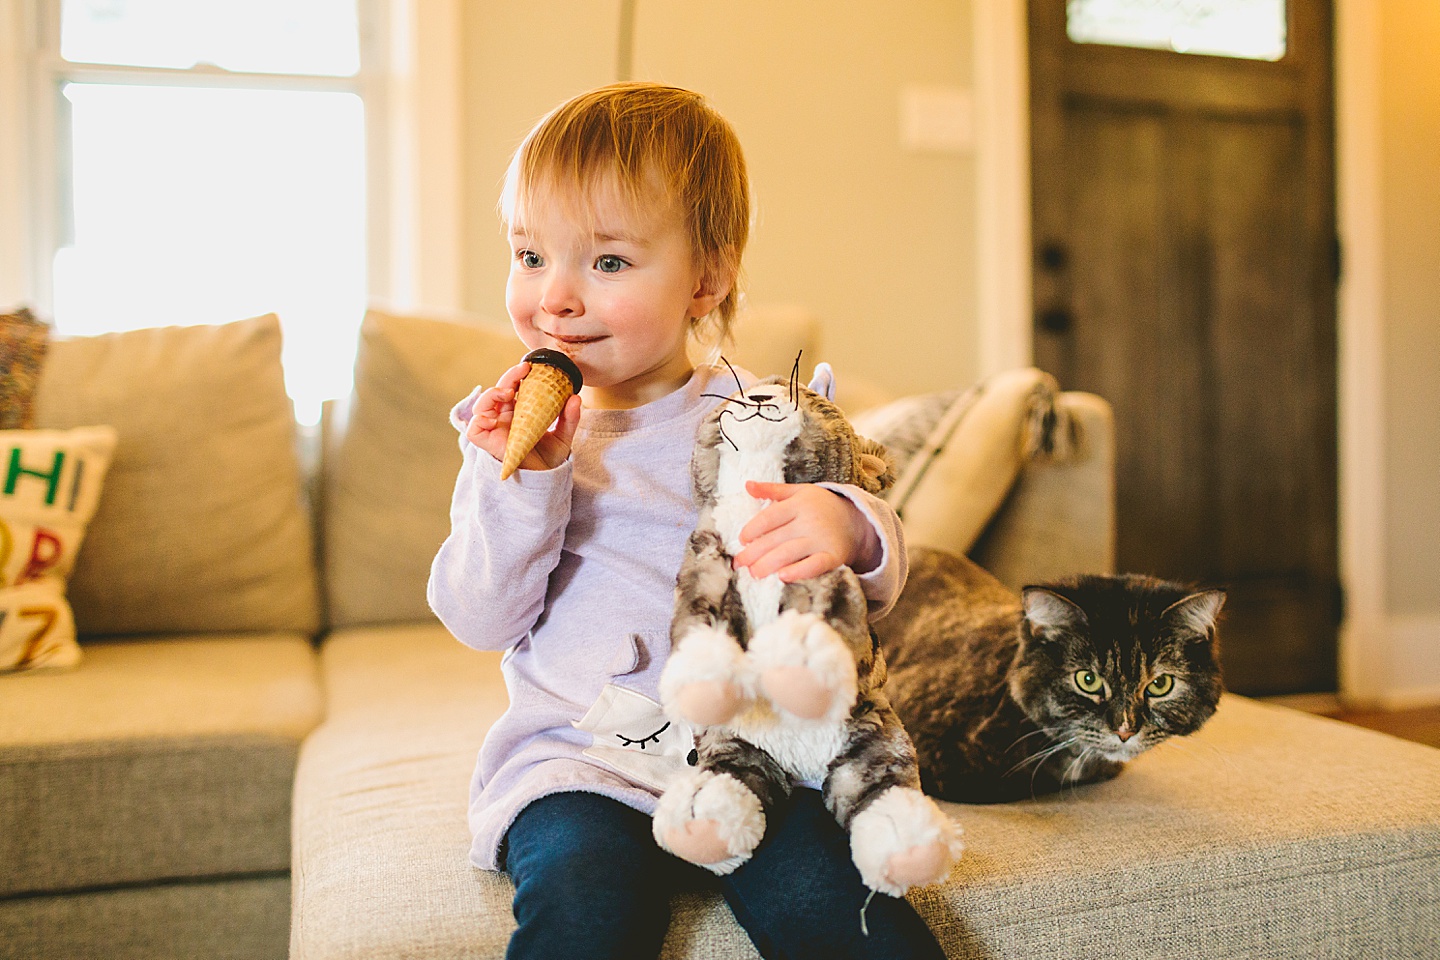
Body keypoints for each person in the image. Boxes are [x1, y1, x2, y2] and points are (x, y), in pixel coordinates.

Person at [428, 82, 946, 960]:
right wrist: (521, 484)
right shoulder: (511, 438)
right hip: (578, 762)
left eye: (607, 264)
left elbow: (876, 571)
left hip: (751, 756)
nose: (553, 298)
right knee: (581, 909)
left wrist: (849, 526)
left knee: (847, 914)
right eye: (528, 255)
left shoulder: (763, 417)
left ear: (706, 278)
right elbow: (479, 619)